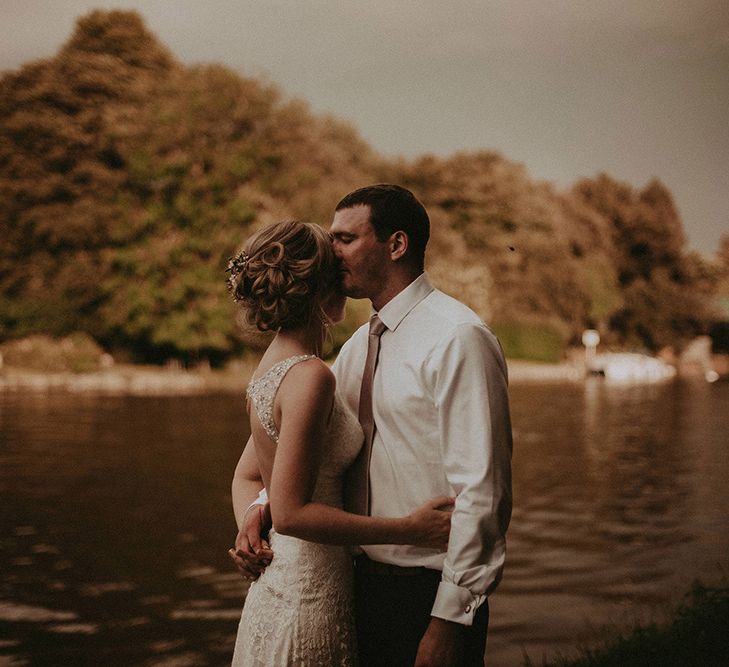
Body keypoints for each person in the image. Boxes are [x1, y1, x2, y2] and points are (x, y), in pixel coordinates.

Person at [239, 185, 513, 666]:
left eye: (344, 239)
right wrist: (258, 513)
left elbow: (483, 494)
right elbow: (300, 457)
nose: (331, 251)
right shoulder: (352, 350)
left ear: (397, 244)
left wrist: (450, 620)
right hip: (354, 587)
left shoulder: (458, 338)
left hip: (426, 592)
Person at [226, 220, 453, 666]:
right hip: (308, 593)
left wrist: (252, 516)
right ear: (320, 288)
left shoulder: (272, 368)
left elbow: (247, 475)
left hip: (279, 581)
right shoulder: (311, 378)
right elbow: (291, 514)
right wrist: (408, 528)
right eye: (338, 270)